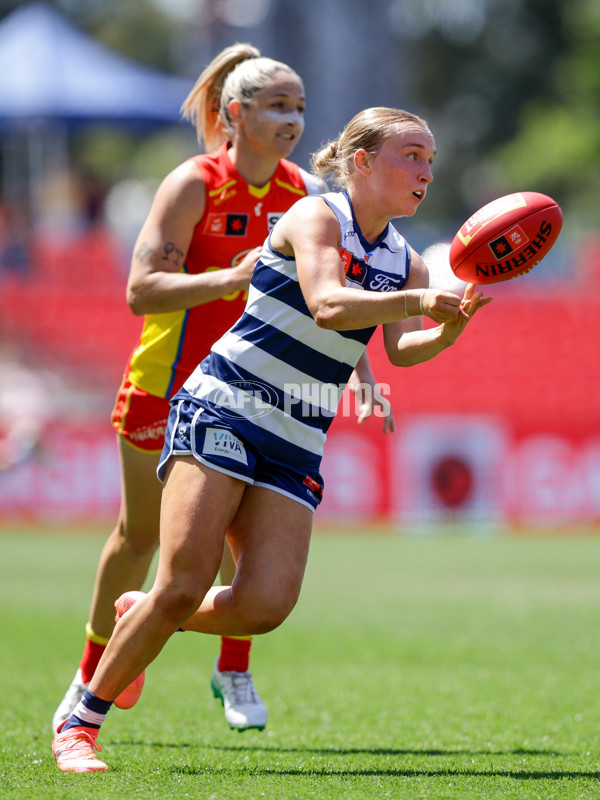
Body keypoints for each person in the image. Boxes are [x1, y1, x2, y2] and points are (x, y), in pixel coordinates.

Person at [51, 105, 492, 773]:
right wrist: (415, 304)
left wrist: (449, 329)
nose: (427, 171)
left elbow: (401, 353)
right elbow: (327, 303)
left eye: (431, 159)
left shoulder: (406, 261)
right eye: (413, 155)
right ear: (362, 162)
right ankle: (80, 725)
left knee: (263, 606)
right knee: (187, 577)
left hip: (296, 434)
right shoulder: (316, 217)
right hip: (225, 407)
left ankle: (147, 611)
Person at [52, 43, 393, 738]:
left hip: (258, 393)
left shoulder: (304, 193)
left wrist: (362, 372)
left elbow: (336, 298)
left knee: (246, 548)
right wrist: (230, 279)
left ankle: (233, 668)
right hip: (168, 381)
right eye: (276, 105)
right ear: (234, 113)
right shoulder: (192, 183)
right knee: (141, 536)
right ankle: (93, 672)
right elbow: (140, 291)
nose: (292, 118)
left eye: (298, 105)